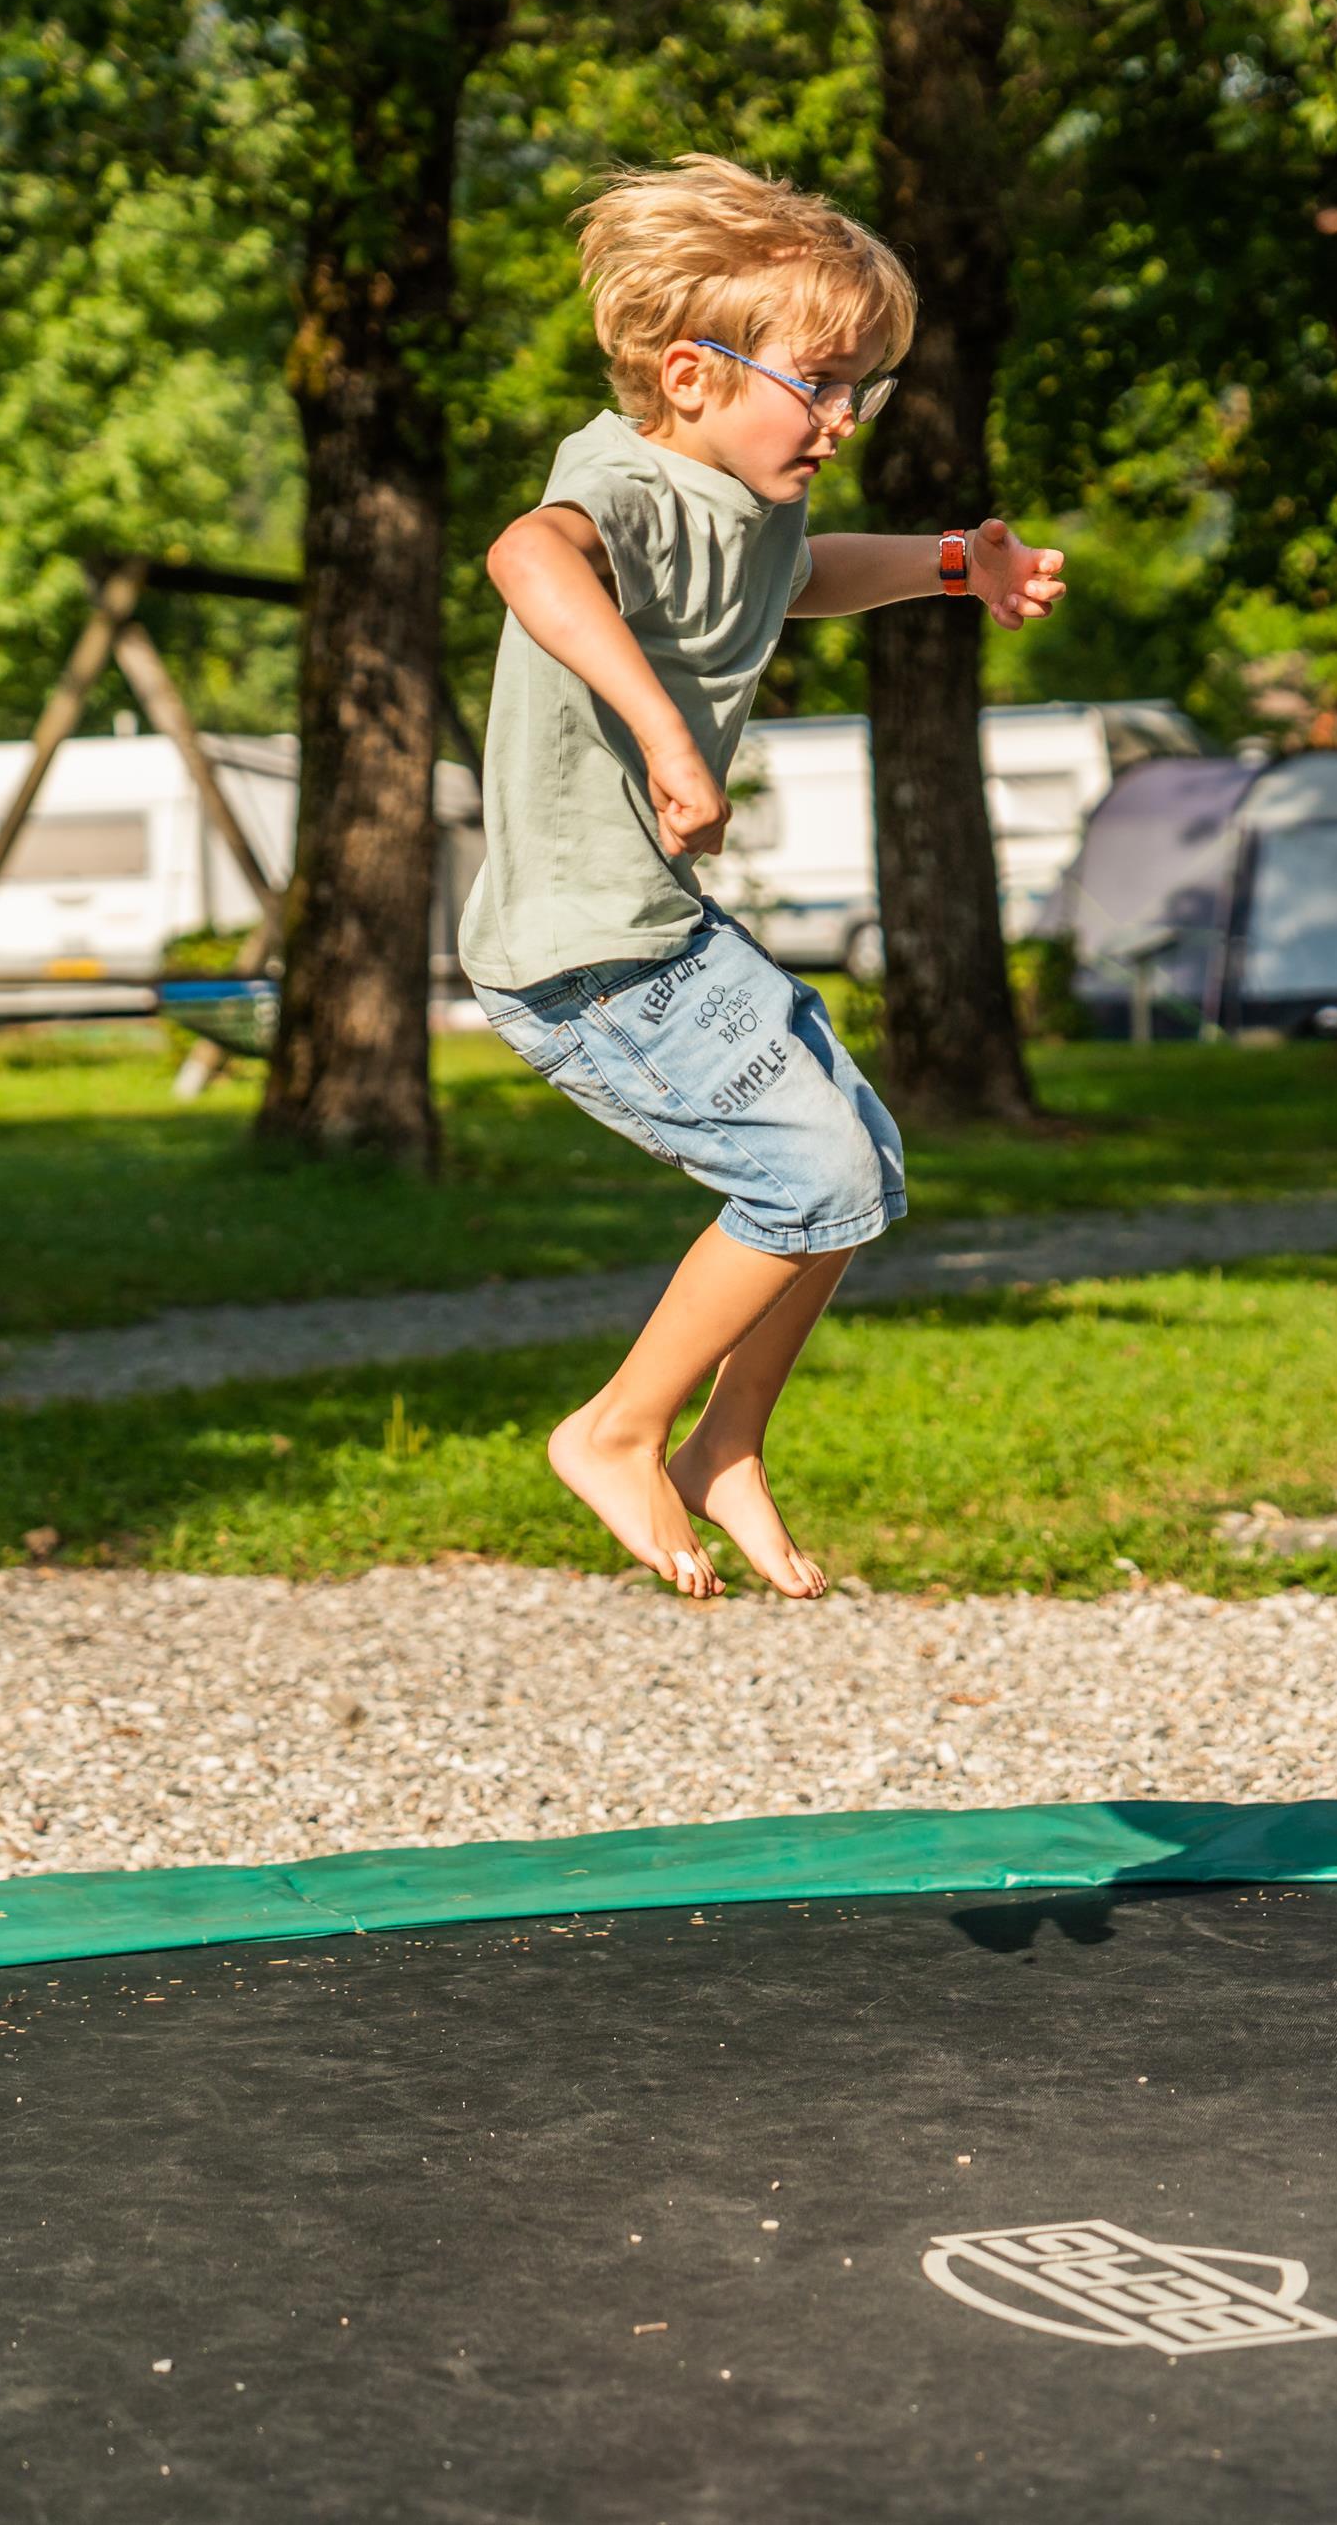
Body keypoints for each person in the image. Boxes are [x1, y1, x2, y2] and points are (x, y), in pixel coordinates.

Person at [467, 156, 1066, 1599]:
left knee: (860, 1162)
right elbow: (525, 558)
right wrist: (668, 735)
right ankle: (615, 1429)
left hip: (660, 929)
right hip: (579, 952)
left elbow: (802, 578)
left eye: (865, 387)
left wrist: (950, 566)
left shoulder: (748, 502)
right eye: (823, 383)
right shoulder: (626, 485)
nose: (846, 417)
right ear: (690, 374)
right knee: (811, 1174)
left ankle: (724, 1444)